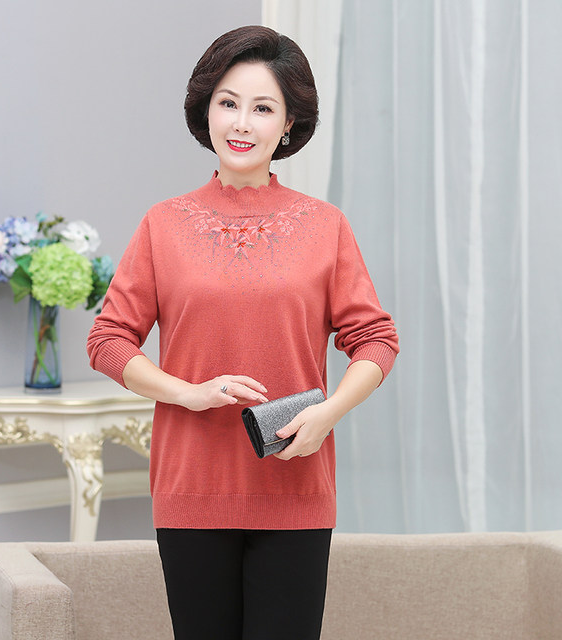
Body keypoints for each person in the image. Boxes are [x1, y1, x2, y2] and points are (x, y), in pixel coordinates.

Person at [87, 25, 399, 640]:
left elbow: (376, 339)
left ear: (288, 125)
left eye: (263, 108)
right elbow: (108, 340)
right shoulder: (163, 225)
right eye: (228, 102)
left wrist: (329, 413)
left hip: (296, 485)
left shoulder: (326, 226)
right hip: (191, 487)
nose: (241, 123)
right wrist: (188, 392)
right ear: (206, 109)